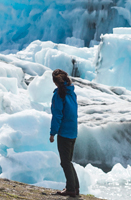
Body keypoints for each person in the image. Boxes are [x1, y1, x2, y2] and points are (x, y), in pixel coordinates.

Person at [49, 69, 80, 197]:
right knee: (68, 161)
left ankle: (71, 189)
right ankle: (75, 188)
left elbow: (57, 115)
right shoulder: (72, 92)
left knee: (65, 162)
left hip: (64, 132)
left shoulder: (59, 95)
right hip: (73, 131)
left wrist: (53, 133)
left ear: (55, 82)